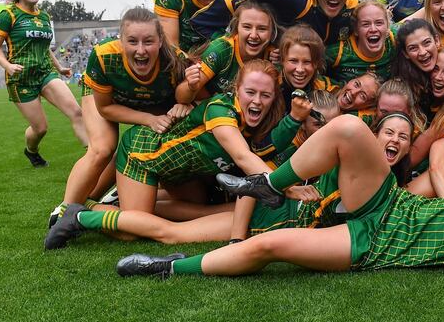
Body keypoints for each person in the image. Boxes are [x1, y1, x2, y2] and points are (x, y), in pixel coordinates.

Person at [116, 84, 444, 304]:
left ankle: (168, 269)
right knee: (350, 128)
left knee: (266, 249)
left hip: (371, 248)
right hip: (388, 204)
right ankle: (263, 183)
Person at [43, 91, 348, 248]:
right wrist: (237, 242)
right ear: (303, 117)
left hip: (255, 216)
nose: (324, 130)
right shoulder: (284, 141)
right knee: (170, 234)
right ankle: (81, 215)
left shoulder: (336, 157)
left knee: (185, 213)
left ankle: (97, 206)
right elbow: (250, 178)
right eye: (317, 122)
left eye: (331, 126)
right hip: (251, 216)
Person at [49, 7, 190, 228]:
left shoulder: (176, 61)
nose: (141, 50)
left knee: (152, 144)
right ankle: (65, 209)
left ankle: (108, 194)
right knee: (102, 148)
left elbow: (190, 96)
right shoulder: (104, 56)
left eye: (148, 41)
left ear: (161, 41)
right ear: (121, 41)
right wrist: (147, 119)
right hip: (110, 100)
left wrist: (185, 102)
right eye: (132, 41)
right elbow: (105, 108)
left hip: (152, 102)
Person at [0, 0, 88, 168]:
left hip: (45, 74)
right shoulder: (9, 15)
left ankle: (94, 155)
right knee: (40, 129)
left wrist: (59, 67)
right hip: (21, 78)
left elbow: (43, 46)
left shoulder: (43, 16)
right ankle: (31, 151)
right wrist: (7, 65)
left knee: (76, 112)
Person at [175, 0, 278, 103]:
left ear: (272, 32)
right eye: (247, 27)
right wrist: (191, 87)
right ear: (237, 27)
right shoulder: (221, 50)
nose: (254, 35)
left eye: (262, 29)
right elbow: (180, 96)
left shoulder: (274, 57)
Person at [325, 0, 396, 83]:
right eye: (366, 24)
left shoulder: (393, 40)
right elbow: (313, 68)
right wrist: (337, 89)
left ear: (387, 27)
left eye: (379, 23)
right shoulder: (340, 51)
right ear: (356, 30)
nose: (373, 29)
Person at [278, 25, 337, 114]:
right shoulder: (271, 85)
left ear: (317, 63)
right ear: (282, 60)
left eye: (307, 62)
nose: (300, 69)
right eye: (293, 61)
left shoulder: (326, 88)